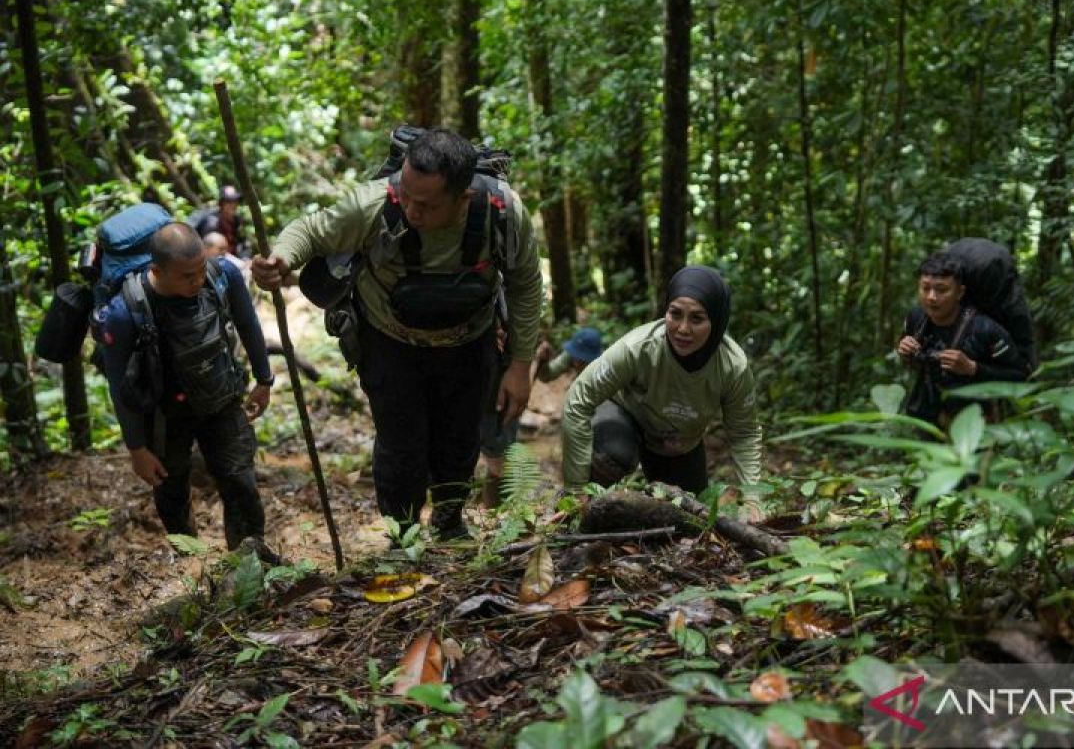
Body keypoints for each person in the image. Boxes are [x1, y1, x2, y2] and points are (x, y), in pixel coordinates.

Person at [251, 128, 543, 537]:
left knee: (459, 437)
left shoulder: (502, 211)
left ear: (463, 199)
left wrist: (519, 364)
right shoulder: (374, 203)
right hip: (389, 341)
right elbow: (309, 230)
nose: (409, 208)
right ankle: (402, 532)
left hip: (469, 342)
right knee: (401, 444)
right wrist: (281, 259)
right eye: (404, 193)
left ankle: (449, 521)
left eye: (424, 204)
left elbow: (526, 284)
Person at [98, 222, 275, 550]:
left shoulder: (222, 276)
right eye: (186, 276)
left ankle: (250, 557)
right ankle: (188, 555)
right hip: (165, 417)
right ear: (157, 270)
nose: (197, 281)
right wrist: (137, 448)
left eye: (200, 269)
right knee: (171, 488)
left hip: (220, 399)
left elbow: (248, 324)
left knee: (240, 479)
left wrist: (264, 380)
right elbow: (120, 386)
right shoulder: (125, 312)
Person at [561, 266, 763, 516]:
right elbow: (578, 400)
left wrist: (753, 500)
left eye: (697, 319)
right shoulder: (637, 348)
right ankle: (589, 515)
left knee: (689, 516)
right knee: (612, 456)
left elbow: (744, 433)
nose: (683, 329)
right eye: (675, 314)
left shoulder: (732, 367)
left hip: (678, 442)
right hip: (625, 418)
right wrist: (575, 490)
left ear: (717, 320)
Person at [896, 252, 1028, 427]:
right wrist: (905, 351)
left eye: (942, 289)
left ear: (960, 292)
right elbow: (914, 362)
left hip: (974, 423)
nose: (931, 297)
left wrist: (973, 368)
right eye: (925, 288)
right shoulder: (916, 319)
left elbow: (1021, 376)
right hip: (926, 417)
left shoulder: (985, 330)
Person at [478, 327, 606, 507]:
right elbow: (547, 375)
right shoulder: (570, 357)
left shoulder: (604, 367)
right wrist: (542, 359)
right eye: (575, 357)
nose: (577, 362)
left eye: (582, 360)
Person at [189, 184, 249, 258]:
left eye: (235, 201)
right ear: (221, 203)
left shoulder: (237, 221)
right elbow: (186, 230)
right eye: (229, 202)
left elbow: (243, 245)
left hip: (231, 260)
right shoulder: (208, 217)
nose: (233, 205)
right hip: (206, 259)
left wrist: (245, 259)